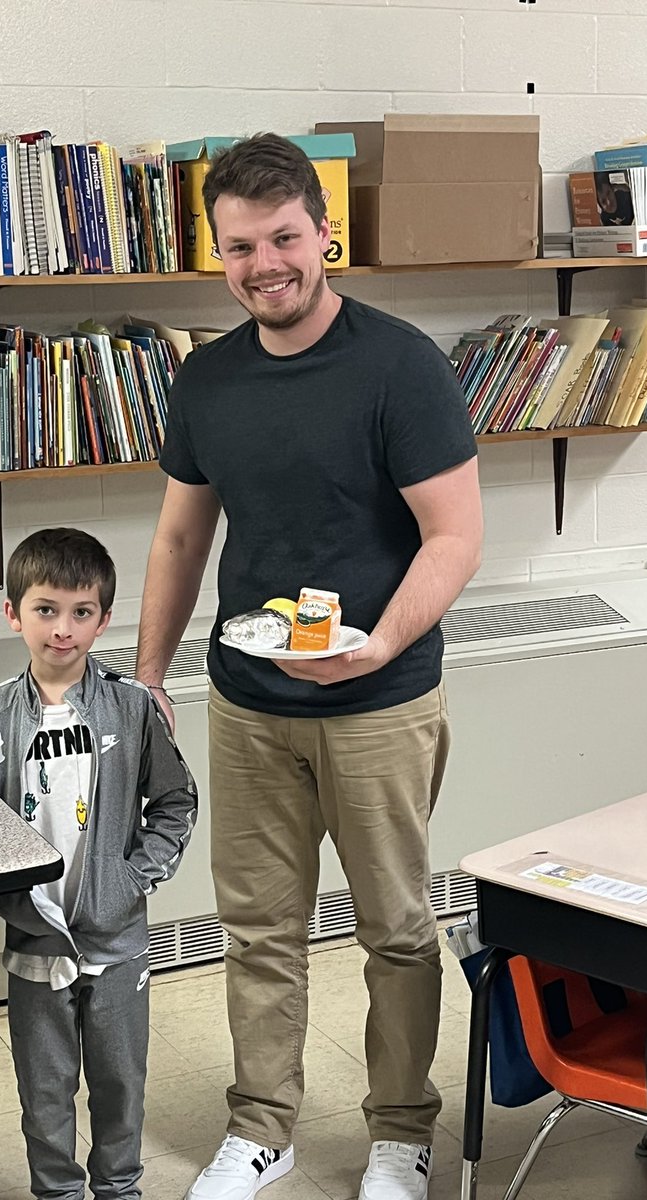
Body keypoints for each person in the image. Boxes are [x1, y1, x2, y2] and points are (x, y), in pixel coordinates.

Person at [135, 132, 483, 1200]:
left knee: (395, 928)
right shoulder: (210, 379)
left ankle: (398, 1135)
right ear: (219, 253)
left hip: (379, 698)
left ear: (324, 232)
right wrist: (150, 677)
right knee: (259, 930)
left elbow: (455, 537)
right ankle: (263, 1127)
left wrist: (379, 643)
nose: (264, 265)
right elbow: (182, 539)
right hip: (250, 704)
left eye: (283, 237)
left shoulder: (401, 368)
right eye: (238, 247)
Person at [0, 527, 197, 1200]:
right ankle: (58, 1193)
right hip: (35, 945)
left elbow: (175, 801)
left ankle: (119, 1187)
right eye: (45, 610)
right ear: (14, 613)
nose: (62, 630)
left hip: (118, 942)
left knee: (119, 1082)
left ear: (103, 619)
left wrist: (132, 879)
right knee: (45, 1093)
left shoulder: (131, 708)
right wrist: (5, 896)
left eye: (81, 613)